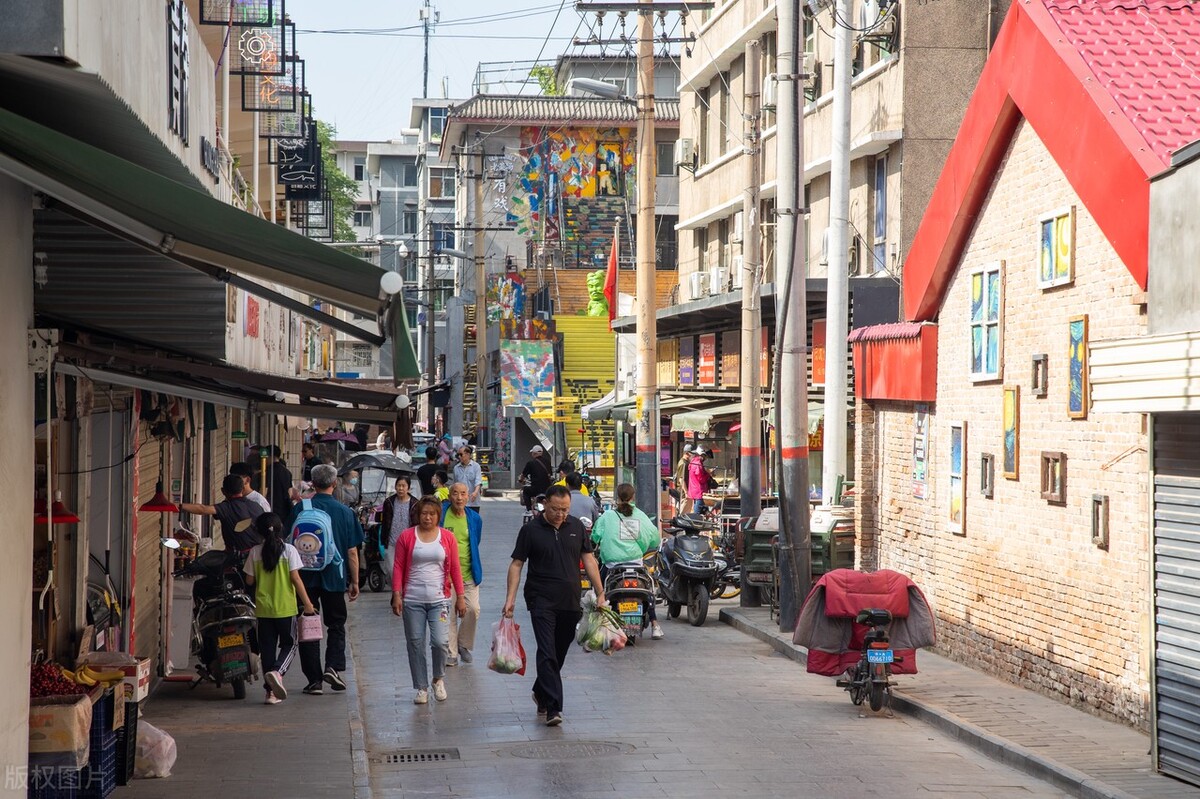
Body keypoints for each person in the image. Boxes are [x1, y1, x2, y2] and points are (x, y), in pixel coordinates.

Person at [503, 485, 605, 727]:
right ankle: (554, 707)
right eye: (555, 509)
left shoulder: (576, 527)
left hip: (570, 600)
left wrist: (600, 592)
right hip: (540, 600)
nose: (560, 514)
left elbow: (588, 559)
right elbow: (517, 565)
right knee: (547, 650)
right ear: (544, 504)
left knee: (559, 651)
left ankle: (541, 690)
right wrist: (510, 599)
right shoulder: (530, 530)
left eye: (565, 510)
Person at [286, 464, 363, 696]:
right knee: (336, 624)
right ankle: (333, 666)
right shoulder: (345, 512)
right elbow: (352, 552)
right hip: (334, 575)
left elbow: (289, 542)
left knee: (308, 625)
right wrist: (355, 581)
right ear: (334, 483)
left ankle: (314, 681)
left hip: (303, 577)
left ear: (313, 483)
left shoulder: (300, 508)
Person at [390, 497, 467, 704]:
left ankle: (438, 678)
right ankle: (421, 687)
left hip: (440, 600)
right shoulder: (407, 537)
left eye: (432, 514)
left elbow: (456, 569)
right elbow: (398, 566)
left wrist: (460, 597)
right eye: (424, 513)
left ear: (438, 516)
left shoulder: (447, 537)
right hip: (412, 599)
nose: (428, 517)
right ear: (417, 515)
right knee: (415, 642)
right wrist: (396, 594)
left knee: (440, 642)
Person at [242, 513, 316, 704]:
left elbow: (249, 580)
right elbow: (296, 579)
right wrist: (307, 604)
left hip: (264, 609)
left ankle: (270, 694)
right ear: (280, 528)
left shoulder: (255, 552)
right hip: (285, 608)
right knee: (290, 644)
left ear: (259, 531)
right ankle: (278, 671)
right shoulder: (289, 550)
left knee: (267, 650)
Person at [591, 483, 664, 640]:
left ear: (617, 497)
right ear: (633, 497)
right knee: (648, 591)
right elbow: (655, 539)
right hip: (636, 565)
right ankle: (655, 624)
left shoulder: (607, 516)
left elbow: (595, 536)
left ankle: (598, 624)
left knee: (600, 590)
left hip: (611, 566)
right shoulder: (641, 516)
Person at [440, 483, 483, 665]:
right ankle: (451, 653)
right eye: (455, 494)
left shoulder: (474, 519)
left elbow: (475, 542)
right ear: (449, 496)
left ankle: (463, 643)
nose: (459, 498)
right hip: (444, 575)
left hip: (468, 572)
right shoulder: (441, 515)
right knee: (448, 613)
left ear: (468, 497)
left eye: (463, 494)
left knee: (472, 609)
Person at [180, 473, 265, 553]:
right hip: (259, 555)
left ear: (223, 491)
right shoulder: (256, 506)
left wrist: (177, 505)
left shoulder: (227, 507)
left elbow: (203, 509)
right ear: (243, 489)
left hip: (237, 560)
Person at [379, 476, 419, 579]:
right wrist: (383, 540)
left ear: (408, 488)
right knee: (391, 570)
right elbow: (384, 522)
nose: (401, 488)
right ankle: (396, 592)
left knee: (407, 572)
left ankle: (401, 594)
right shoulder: (389, 502)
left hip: (408, 543)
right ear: (395, 487)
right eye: (398, 486)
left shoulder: (415, 503)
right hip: (392, 542)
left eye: (403, 486)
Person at [519, 445, 553, 510]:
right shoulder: (548, 462)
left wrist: (520, 480)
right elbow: (550, 474)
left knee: (525, 491)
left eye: (532, 453)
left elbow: (523, 475)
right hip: (547, 489)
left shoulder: (530, 463)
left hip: (536, 489)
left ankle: (529, 510)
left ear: (534, 453)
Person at [452, 446, 483, 515]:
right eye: (458, 455)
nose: (459, 457)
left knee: (473, 523)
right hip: (460, 502)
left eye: (461, 454)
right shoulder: (456, 468)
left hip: (473, 502)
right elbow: (455, 484)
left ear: (468, 454)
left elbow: (478, 481)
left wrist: (475, 492)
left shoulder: (476, 466)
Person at [267, 446, 295, 521]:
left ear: (270, 456)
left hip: (270, 508)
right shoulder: (287, 472)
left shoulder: (267, 471)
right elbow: (290, 492)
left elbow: (264, 490)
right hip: (284, 509)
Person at [687, 447, 713, 514]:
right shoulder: (698, 464)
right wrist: (708, 474)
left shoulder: (693, 462)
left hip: (695, 490)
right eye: (705, 457)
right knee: (697, 512)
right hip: (699, 491)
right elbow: (701, 479)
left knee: (701, 510)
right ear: (702, 455)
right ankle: (696, 523)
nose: (706, 459)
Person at [673, 445, 694, 511]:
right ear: (687, 453)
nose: (693, 455)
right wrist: (686, 492)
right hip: (684, 494)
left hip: (685, 493)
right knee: (684, 514)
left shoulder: (685, 462)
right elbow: (681, 479)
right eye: (692, 453)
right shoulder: (683, 464)